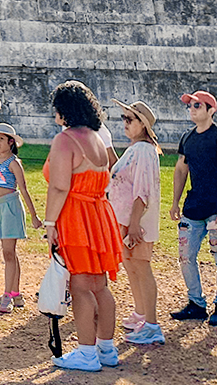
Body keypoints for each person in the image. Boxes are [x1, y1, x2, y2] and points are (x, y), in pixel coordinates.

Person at [44, 80, 125, 372]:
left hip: (77, 216)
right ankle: (106, 348)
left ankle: (87, 353)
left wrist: (50, 222)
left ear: (64, 110)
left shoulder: (65, 140)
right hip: (99, 216)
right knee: (99, 286)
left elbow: (59, 187)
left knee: (79, 287)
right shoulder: (96, 137)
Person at [169, 90, 217, 327]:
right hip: (193, 209)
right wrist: (175, 202)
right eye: (190, 105)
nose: (192, 108)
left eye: (198, 105)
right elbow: (181, 170)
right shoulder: (187, 138)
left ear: (211, 110)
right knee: (185, 256)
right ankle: (196, 303)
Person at [107, 99, 164, 346]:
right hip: (127, 219)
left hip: (134, 221)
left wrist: (133, 224)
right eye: (124, 118)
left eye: (130, 119)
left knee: (141, 266)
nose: (125, 123)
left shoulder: (142, 151)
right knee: (132, 266)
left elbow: (141, 191)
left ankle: (152, 324)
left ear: (143, 124)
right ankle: (141, 313)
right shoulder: (136, 149)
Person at [0, 122, 42, 313]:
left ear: (11, 142)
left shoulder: (13, 163)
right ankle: (15, 292)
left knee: (8, 253)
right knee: (9, 253)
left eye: (1, 139)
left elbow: (24, 190)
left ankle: (7, 295)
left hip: (10, 207)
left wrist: (34, 216)